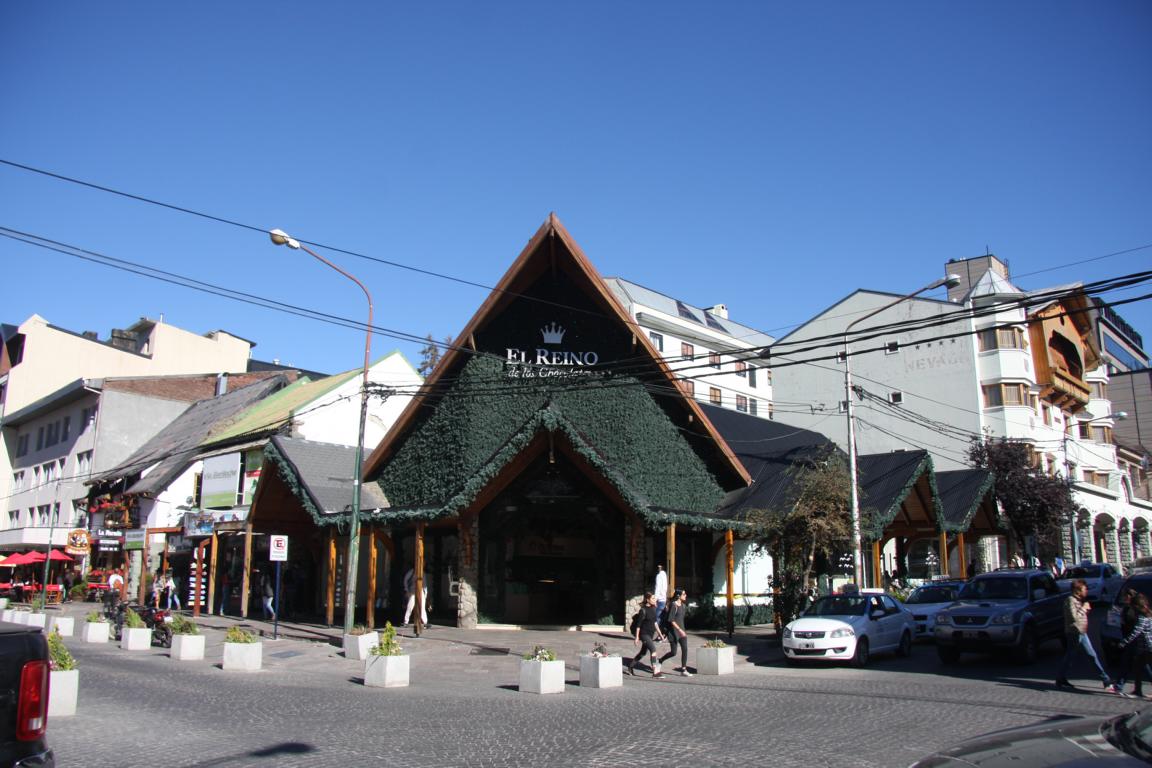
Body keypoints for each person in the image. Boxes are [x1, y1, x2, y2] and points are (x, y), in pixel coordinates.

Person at [1056, 579, 1122, 694]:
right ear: (1077, 591)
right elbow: (1074, 617)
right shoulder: (1070, 600)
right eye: (1084, 589)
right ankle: (1106, 680)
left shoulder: (1077, 600)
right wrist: (1084, 608)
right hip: (1075, 632)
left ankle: (1061, 678)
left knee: (1079, 655)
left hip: (1081, 631)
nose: (1086, 591)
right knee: (1087, 655)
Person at [1119, 593, 1152, 699]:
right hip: (1145, 648)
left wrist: (1124, 642)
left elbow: (1135, 633)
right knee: (1138, 668)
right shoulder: (1149, 615)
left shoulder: (1143, 618)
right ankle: (1137, 690)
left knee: (1139, 668)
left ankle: (1138, 690)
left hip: (1147, 648)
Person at [628, 592, 666, 678]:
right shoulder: (643, 610)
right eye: (653, 598)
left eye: (654, 598)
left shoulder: (653, 609)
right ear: (648, 600)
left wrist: (660, 635)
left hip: (650, 634)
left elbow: (655, 623)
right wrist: (637, 637)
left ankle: (630, 666)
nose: (655, 600)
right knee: (653, 650)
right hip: (644, 634)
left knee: (643, 653)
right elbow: (638, 625)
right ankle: (655, 672)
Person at [659, 589, 692, 676]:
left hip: (682, 632)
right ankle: (660, 660)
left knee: (685, 649)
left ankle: (683, 670)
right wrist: (679, 630)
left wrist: (682, 630)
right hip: (673, 632)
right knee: (673, 652)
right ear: (678, 596)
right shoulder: (673, 605)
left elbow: (680, 619)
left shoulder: (683, 606)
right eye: (684, 594)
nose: (685, 595)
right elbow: (671, 620)